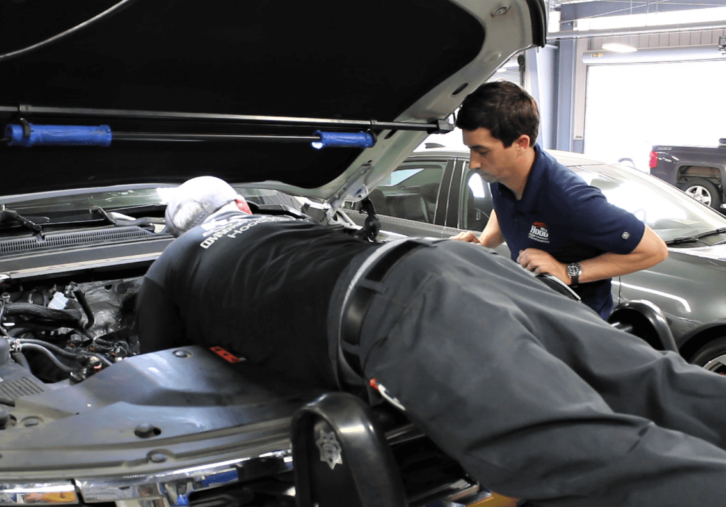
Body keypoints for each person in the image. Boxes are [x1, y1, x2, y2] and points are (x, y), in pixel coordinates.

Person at [137, 176, 726, 507]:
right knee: (653, 379)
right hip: (466, 267)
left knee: (582, 457)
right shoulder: (281, 221)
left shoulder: (168, 265)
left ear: (178, 231)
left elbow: (156, 366)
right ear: (239, 206)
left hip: (407, 315)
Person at [451, 81, 668, 319]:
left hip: (577, 325)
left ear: (521, 144)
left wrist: (568, 271)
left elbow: (654, 250)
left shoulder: (571, 201)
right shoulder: (501, 174)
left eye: (482, 151)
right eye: (471, 150)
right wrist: (485, 243)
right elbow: (504, 207)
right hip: (534, 310)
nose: (474, 163)